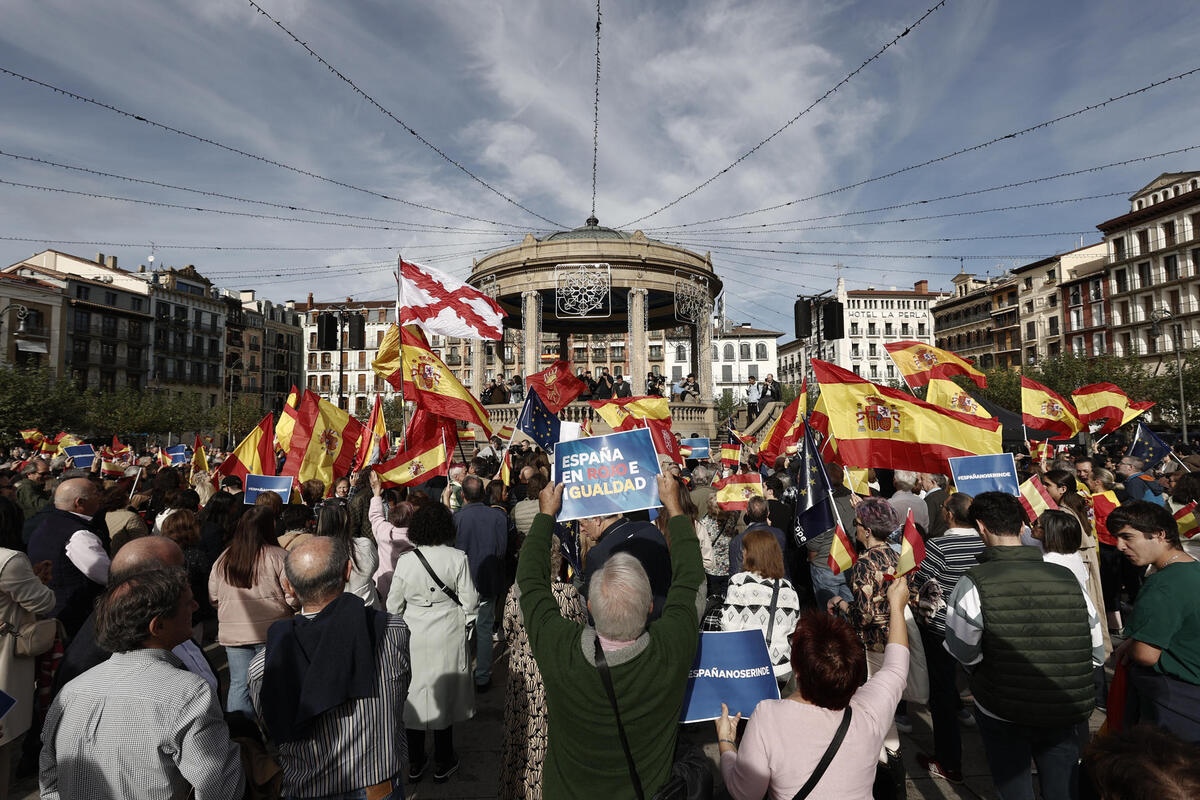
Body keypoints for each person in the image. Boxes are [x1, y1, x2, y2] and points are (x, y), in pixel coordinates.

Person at [518, 475, 702, 798]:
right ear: (649, 607)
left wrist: (546, 515)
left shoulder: (560, 649)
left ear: (588, 604)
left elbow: (530, 585)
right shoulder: (671, 648)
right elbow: (691, 584)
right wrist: (674, 506)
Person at [944, 491, 1103, 800]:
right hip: (1063, 706)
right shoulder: (1066, 577)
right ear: (1021, 527)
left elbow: (963, 650)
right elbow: (1096, 651)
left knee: (1014, 789)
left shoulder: (973, 582)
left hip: (1004, 710)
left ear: (981, 527)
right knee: (1063, 789)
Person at [40, 567, 244, 799]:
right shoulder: (188, 693)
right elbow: (218, 788)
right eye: (187, 604)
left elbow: (49, 782)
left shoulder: (71, 691)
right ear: (157, 627)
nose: (196, 607)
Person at [248, 537, 412, 799]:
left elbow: (272, 727)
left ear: (288, 587)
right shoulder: (391, 631)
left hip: (305, 789)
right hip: (377, 787)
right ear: (348, 571)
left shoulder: (262, 666)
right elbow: (401, 692)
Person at [717, 578, 911, 799]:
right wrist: (897, 606)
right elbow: (896, 667)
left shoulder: (767, 716)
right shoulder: (870, 712)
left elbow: (746, 793)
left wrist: (726, 743)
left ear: (797, 670)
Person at [387, 503, 478, 784]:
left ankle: (415, 761)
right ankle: (443, 759)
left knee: (414, 694)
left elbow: (393, 604)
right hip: (447, 631)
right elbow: (471, 600)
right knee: (444, 694)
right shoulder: (457, 557)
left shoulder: (405, 560)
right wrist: (467, 624)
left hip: (415, 632)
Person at [499, 531, 587, 800]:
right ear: (557, 561)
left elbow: (509, 632)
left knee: (521, 739)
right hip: (555, 677)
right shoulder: (568, 595)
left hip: (523, 680)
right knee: (549, 743)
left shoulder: (515, 594)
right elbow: (580, 634)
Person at [1109, 501, 1200, 742]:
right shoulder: (1192, 569)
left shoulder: (1162, 584)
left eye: (1127, 537)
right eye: (1117, 538)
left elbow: (1146, 654)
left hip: (1176, 699)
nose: (1120, 546)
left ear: (1159, 534)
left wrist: (1134, 644)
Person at [910, 492, 981, 784]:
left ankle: (948, 762)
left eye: (942, 508)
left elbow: (921, 582)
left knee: (940, 693)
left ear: (949, 514)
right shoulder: (983, 541)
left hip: (943, 628)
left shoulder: (939, 545)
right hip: (977, 626)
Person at [208, 505, 298, 718]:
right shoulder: (280, 556)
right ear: (269, 527)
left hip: (234, 635)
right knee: (276, 682)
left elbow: (213, 597)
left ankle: (244, 734)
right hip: (273, 632)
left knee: (240, 683)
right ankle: (278, 732)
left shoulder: (224, 559)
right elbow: (293, 597)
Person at [0, 527, 54, 795]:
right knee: (3, 745)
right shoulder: (8, 560)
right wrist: (38, 581)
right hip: (3, 665)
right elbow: (43, 602)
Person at [27, 477, 109, 639]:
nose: (100, 496)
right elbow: (106, 574)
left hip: (53, 612)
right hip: (74, 618)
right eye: (95, 493)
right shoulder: (79, 534)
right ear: (79, 502)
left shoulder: (47, 523)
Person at [720, 530, 801, 684]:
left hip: (750, 669)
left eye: (745, 549)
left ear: (751, 554)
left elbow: (729, 630)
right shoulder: (788, 587)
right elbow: (794, 631)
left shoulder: (739, 582)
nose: (742, 553)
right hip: (782, 671)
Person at [454, 475, 507, 692]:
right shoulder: (497, 517)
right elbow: (501, 551)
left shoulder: (457, 519)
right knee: (483, 629)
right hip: (486, 580)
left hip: (465, 583)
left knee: (464, 631)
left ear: (463, 496)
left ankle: (465, 676)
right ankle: (482, 677)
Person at [578, 499, 673, 620]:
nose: (581, 529)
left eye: (581, 523)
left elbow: (595, 614)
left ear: (597, 520)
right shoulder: (650, 529)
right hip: (667, 617)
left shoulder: (598, 554)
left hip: (630, 629)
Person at [316, 499, 380, 610]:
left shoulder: (310, 553)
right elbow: (373, 567)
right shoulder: (364, 545)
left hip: (327, 616)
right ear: (348, 519)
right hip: (366, 612)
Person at [367, 470, 414, 600]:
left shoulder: (384, 532)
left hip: (384, 588)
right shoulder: (419, 538)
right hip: (411, 591)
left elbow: (376, 516)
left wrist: (377, 492)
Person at [727, 496, 787, 577]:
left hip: (748, 586)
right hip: (774, 584)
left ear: (747, 513)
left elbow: (735, 572)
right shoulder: (779, 535)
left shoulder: (737, 540)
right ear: (768, 513)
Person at [920, 473, 950, 539]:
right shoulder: (948, 496)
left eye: (922, 479)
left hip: (934, 542)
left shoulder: (930, 499)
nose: (920, 482)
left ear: (933, 482)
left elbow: (926, 527)